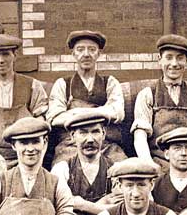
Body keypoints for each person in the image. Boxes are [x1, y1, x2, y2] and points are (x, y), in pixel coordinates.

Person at [131, 34, 187, 181]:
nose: (174, 63)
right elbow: (140, 135)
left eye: (180, 58)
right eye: (169, 57)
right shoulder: (148, 94)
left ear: (186, 61)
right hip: (160, 163)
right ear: (159, 59)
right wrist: (148, 164)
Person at [46, 30, 127, 164]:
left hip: (106, 145)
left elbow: (118, 112)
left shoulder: (110, 82)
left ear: (98, 54)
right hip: (70, 145)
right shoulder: (63, 84)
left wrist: (75, 113)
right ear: (73, 54)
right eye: (80, 49)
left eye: (92, 49)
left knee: (124, 171)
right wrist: (101, 112)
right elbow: (54, 118)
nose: (86, 54)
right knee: (60, 173)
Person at [0, 34, 49, 163]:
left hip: (24, 157)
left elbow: (41, 123)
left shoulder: (32, 85)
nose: (1, 60)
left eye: (6, 54)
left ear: (15, 55)